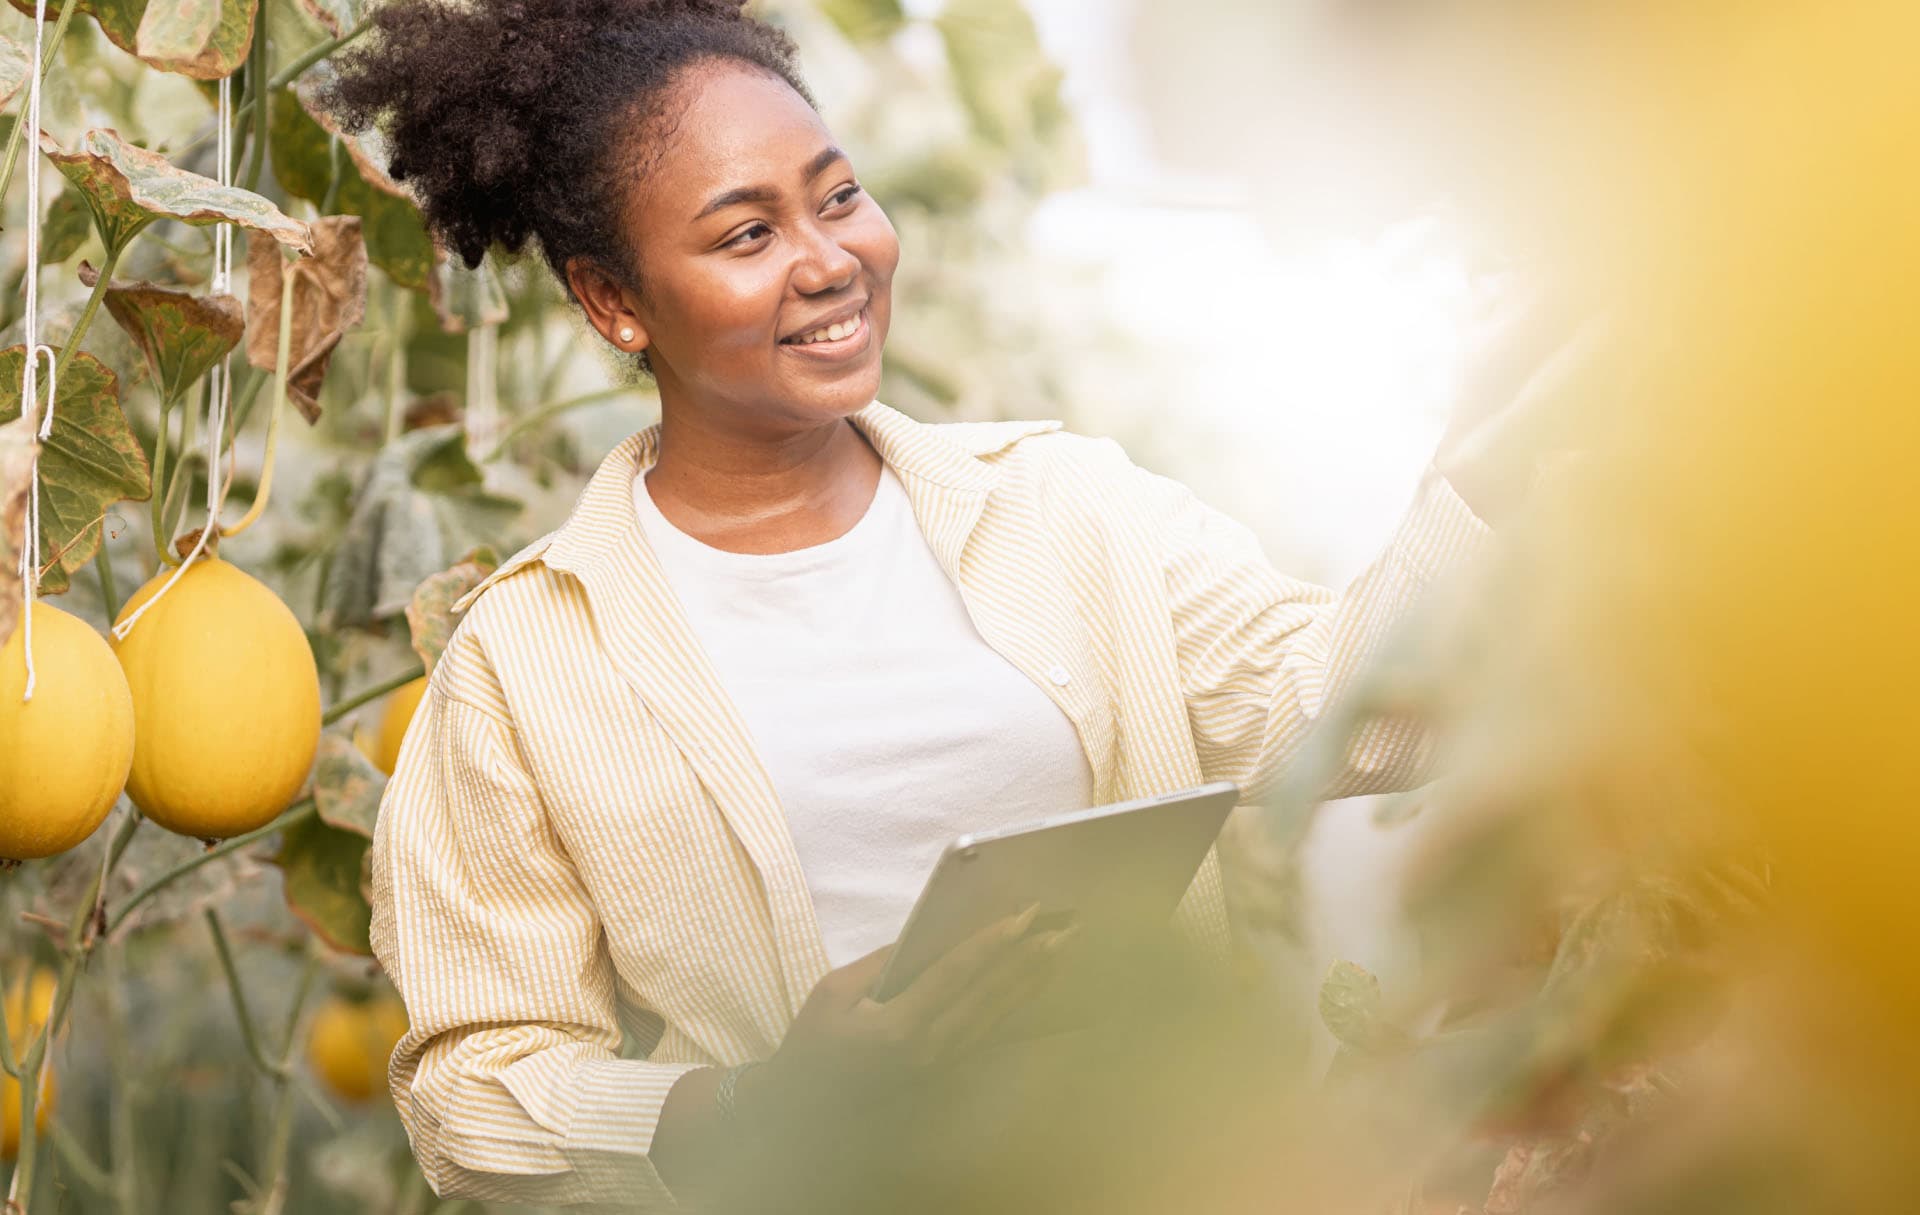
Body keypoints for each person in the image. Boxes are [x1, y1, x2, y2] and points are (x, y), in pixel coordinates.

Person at [314, 0, 1554, 1207]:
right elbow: (472, 1094)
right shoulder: (524, 665)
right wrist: (764, 1098)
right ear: (613, 301)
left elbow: (1356, 712)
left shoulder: (1068, 508)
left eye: (838, 195)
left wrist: (1480, 484)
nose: (828, 260)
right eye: (746, 235)